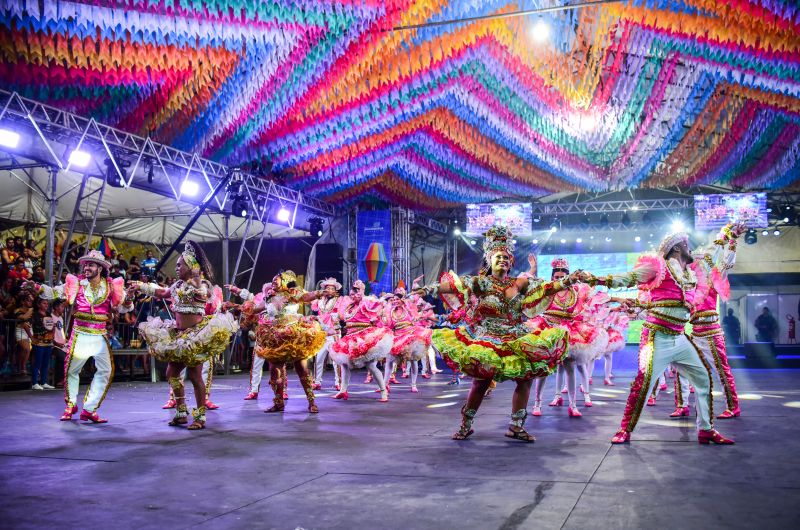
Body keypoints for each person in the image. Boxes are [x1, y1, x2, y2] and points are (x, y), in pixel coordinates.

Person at [414, 227, 573, 442]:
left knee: (525, 379)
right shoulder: (480, 283)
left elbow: (546, 288)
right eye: (498, 256)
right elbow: (453, 285)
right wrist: (427, 289)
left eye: (507, 257)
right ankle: (466, 424)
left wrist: (567, 282)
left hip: (515, 336)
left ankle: (516, 427)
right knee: (481, 382)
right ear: (489, 259)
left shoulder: (520, 283)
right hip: (486, 337)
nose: (503, 260)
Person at [584, 231, 734, 445]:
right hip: (657, 339)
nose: (690, 248)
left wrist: (726, 236)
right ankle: (625, 429)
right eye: (686, 245)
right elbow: (629, 277)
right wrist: (595, 279)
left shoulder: (688, 275)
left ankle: (706, 429)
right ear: (676, 248)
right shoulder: (658, 267)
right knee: (644, 384)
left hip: (680, 338)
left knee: (703, 378)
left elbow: (710, 253)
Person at [134, 242, 237, 429]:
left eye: (180, 264)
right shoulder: (178, 285)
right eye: (177, 265)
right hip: (179, 336)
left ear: (191, 267)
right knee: (171, 373)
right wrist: (142, 286)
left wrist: (196, 276)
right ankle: (181, 412)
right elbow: (163, 292)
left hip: (195, 338)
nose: (177, 267)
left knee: (195, 376)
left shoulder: (201, 284)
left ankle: (200, 417)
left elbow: (202, 292)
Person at [229, 271, 326, 413]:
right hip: (275, 338)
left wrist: (318, 293)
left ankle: (311, 401)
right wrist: (238, 307)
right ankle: (279, 402)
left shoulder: (293, 293)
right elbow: (255, 309)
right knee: (275, 372)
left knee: (302, 369)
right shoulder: (269, 297)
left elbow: (306, 296)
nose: (273, 282)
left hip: (294, 336)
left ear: (285, 280)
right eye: (272, 280)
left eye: (276, 280)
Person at [57, 250, 133, 423]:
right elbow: (56, 292)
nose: (86, 268)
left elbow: (121, 308)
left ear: (100, 268)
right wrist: (37, 287)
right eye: (85, 265)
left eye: (90, 265)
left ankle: (89, 408)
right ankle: (70, 405)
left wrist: (128, 300)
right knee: (72, 370)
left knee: (106, 371)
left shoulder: (111, 286)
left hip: (99, 335)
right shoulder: (78, 284)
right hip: (80, 334)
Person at [527, 258, 606, 417]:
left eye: (563, 277)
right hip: (547, 330)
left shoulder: (577, 291)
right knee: (543, 369)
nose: (560, 280)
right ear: (552, 278)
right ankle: (537, 404)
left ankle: (573, 405)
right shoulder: (547, 290)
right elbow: (527, 285)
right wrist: (533, 268)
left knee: (570, 368)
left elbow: (595, 292)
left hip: (569, 332)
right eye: (557, 277)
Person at [689, 222, 745, 419]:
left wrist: (731, 240)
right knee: (691, 373)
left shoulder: (714, 276)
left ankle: (733, 406)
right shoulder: (688, 283)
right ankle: (691, 407)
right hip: (694, 333)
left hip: (711, 331)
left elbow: (728, 262)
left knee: (722, 371)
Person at [310, 278, 343, 391]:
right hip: (322, 333)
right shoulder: (318, 302)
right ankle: (317, 381)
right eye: (327, 288)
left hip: (334, 333)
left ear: (335, 291)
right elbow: (317, 313)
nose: (329, 290)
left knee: (336, 360)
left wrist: (337, 317)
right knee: (318, 358)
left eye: (332, 288)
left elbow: (341, 314)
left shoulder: (338, 301)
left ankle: (338, 382)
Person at [29, 291, 56, 390]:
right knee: (37, 363)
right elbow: (26, 325)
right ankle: (34, 383)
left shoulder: (48, 314)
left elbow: (52, 326)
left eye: (47, 303)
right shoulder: (35, 315)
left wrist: (53, 334)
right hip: (39, 342)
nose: (46, 305)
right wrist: (31, 337)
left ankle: (44, 382)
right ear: (38, 304)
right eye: (44, 303)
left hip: (48, 342)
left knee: (45, 363)